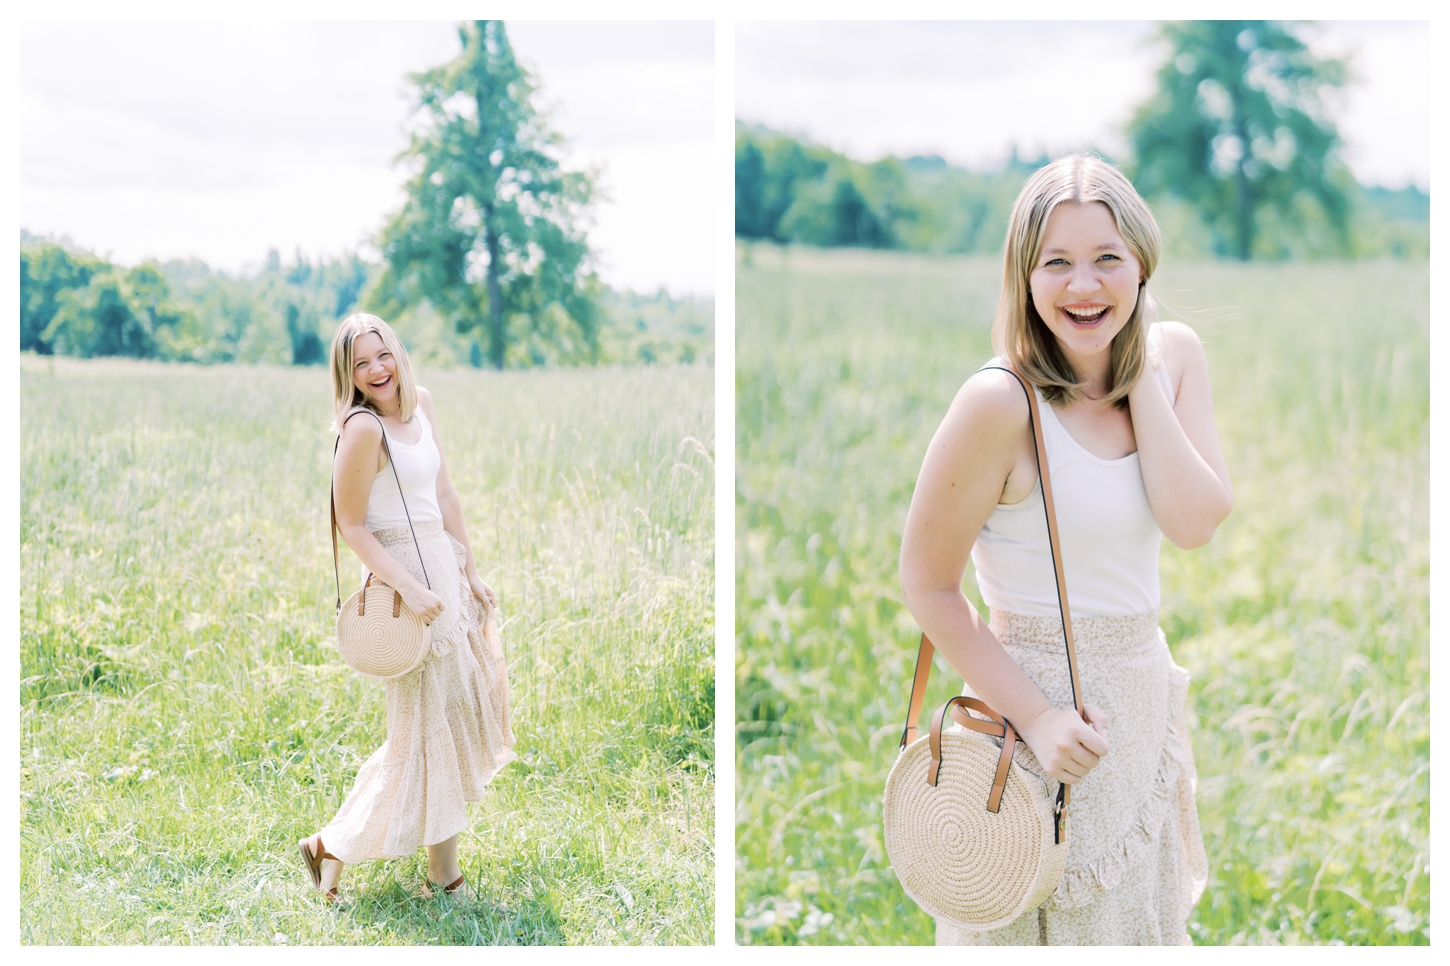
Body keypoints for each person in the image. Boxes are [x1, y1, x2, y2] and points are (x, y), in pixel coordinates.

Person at [898, 154, 1232, 945]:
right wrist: (1040, 719)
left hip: (1139, 701)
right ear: (1024, 275)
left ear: (1142, 267)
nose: (1085, 286)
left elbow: (1195, 521)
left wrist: (1136, 368)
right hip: (1035, 710)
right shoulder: (999, 401)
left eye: (1109, 259)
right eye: (1058, 263)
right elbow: (928, 585)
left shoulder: (1173, 357)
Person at [298, 313, 515, 902]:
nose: (376, 370)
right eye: (360, 363)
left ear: (397, 350)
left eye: (382, 354)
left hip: (442, 566)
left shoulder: (420, 402)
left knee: (450, 721)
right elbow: (352, 525)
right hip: (402, 581)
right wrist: (410, 590)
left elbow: (443, 492)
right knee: (423, 731)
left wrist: (469, 570)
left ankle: (330, 849)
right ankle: (437, 877)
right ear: (348, 374)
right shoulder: (363, 428)